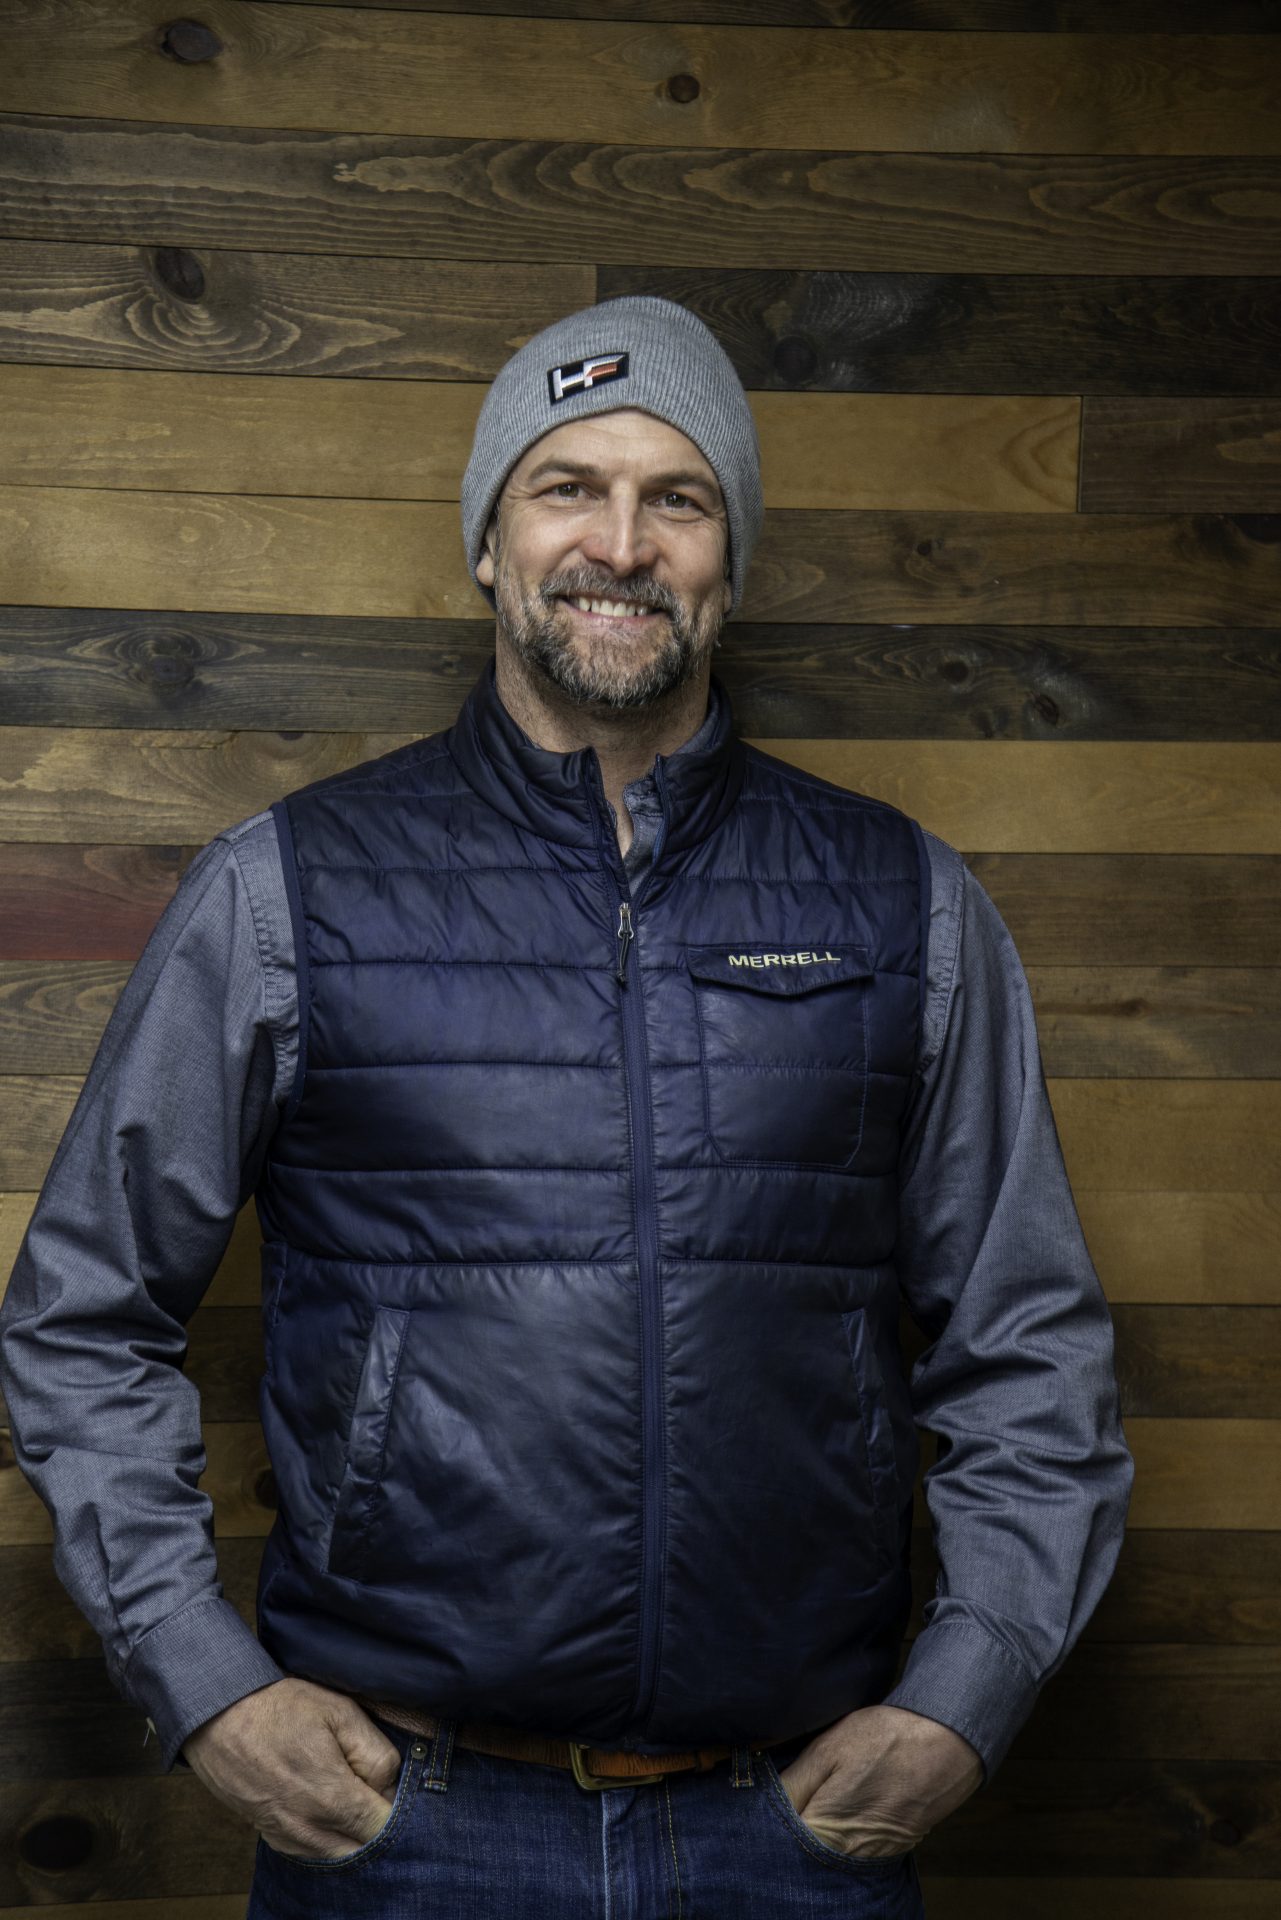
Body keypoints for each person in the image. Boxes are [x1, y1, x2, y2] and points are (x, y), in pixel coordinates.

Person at [0, 296, 1133, 1918]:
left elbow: (1028, 1341)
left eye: (676, 498)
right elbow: (81, 1315)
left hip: (792, 1831)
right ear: (486, 541)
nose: (620, 540)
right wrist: (204, 1679)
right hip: (408, 1828)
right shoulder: (287, 891)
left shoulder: (903, 901)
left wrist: (972, 1687)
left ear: (728, 556)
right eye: (565, 486)